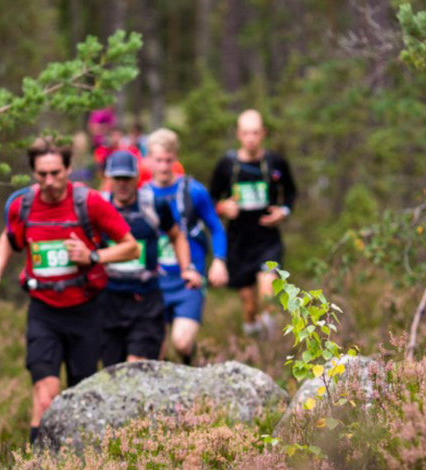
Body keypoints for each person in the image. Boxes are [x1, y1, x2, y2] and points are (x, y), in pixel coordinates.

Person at [0, 137, 139, 444]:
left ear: (68, 169)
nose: (49, 181)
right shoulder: (23, 205)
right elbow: (9, 238)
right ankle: (38, 465)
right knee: (45, 396)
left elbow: (131, 247)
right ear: (33, 173)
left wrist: (93, 256)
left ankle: (79, 462)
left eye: (56, 173)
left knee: (80, 397)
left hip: (86, 310)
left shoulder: (89, 203)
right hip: (44, 312)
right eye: (42, 174)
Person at [99, 150, 199, 366]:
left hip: (146, 299)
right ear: (108, 179)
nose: (122, 184)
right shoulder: (98, 206)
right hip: (109, 300)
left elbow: (177, 236)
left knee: (137, 366)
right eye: (117, 178)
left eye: (127, 178)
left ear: (137, 178)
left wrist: (187, 268)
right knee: (112, 370)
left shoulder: (154, 204)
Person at [143, 128, 229, 364]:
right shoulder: (142, 195)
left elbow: (216, 227)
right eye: (158, 160)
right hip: (155, 282)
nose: (163, 167)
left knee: (181, 342)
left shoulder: (194, 191)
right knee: (154, 352)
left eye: (168, 160)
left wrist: (219, 260)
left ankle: (191, 365)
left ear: (176, 158)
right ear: (149, 159)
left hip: (189, 281)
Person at [209, 109, 297, 336]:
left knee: (268, 294)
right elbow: (210, 201)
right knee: (249, 306)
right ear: (239, 134)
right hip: (238, 242)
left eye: (255, 133)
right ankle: (253, 340)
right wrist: (222, 207)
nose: (251, 138)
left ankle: (273, 343)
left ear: (263, 133)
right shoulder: (227, 165)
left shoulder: (276, 162)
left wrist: (283, 211)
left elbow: (291, 192)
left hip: (267, 240)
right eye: (246, 133)